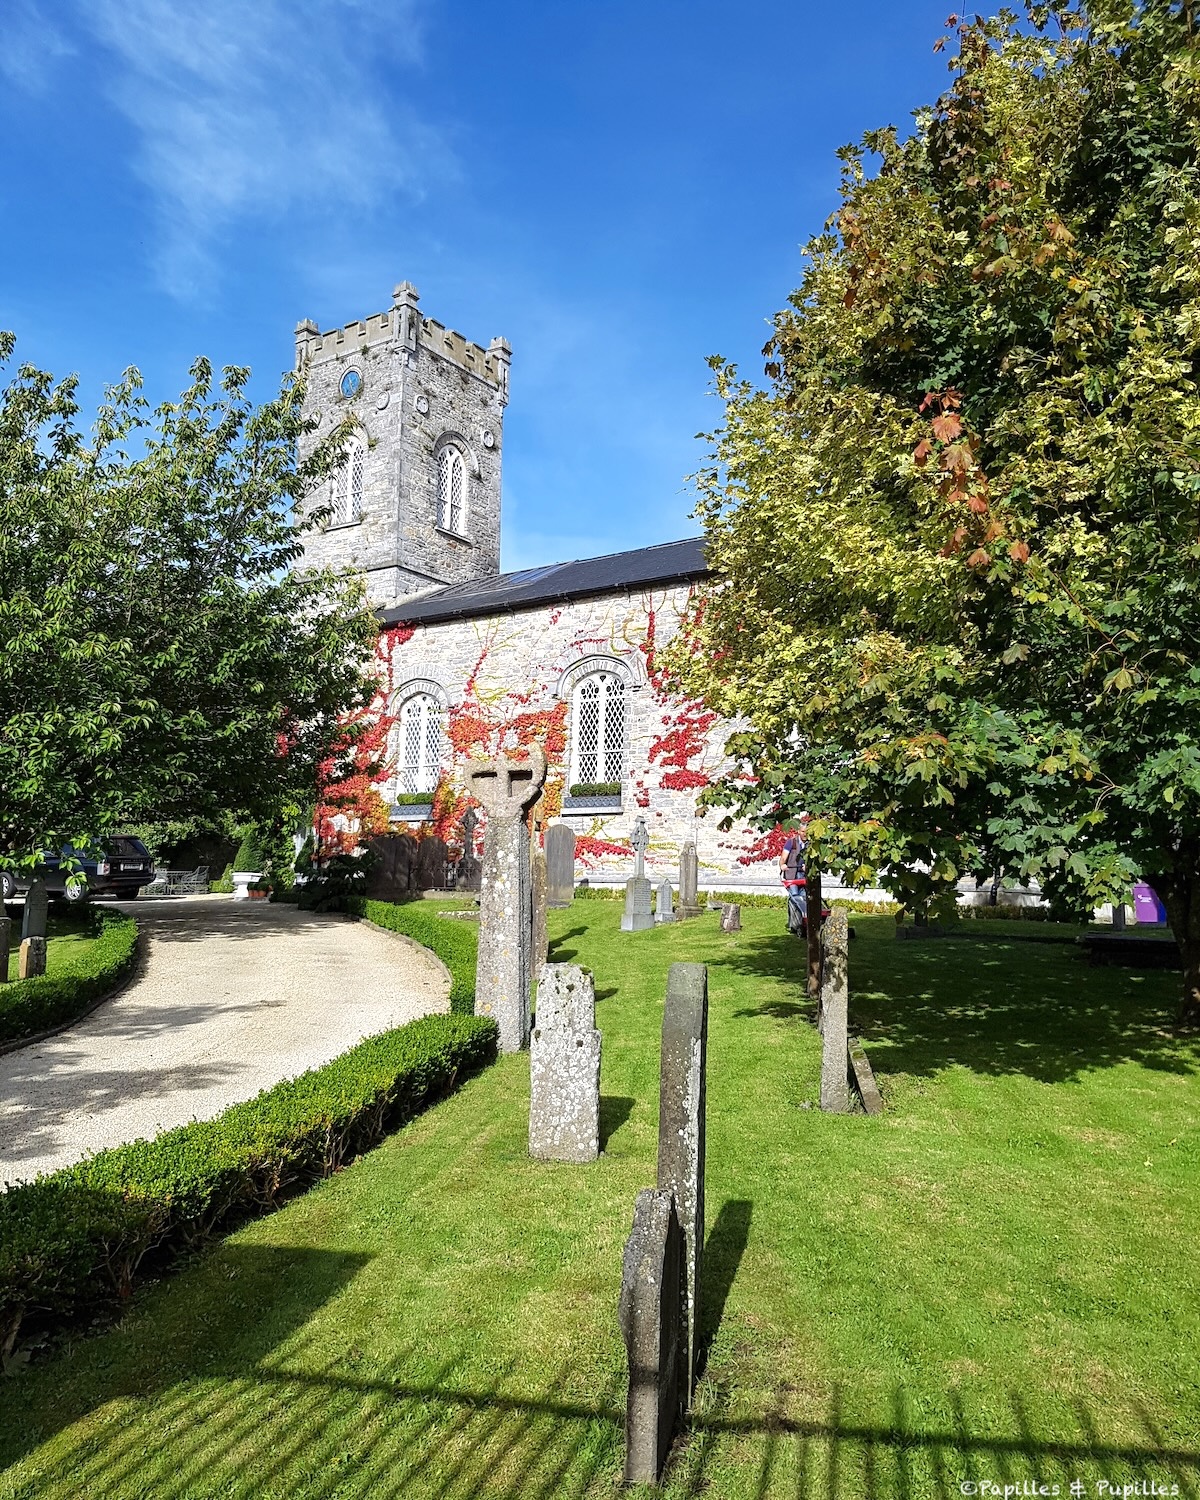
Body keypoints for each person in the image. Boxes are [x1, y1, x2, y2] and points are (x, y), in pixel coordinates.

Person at [780, 819, 808, 936]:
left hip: (803, 874)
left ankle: (803, 922)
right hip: (791, 873)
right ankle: (794, 925)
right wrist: (782, 865)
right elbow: (783, 857)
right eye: (802, 832)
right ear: (798, 831)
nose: (805, 834)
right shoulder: (791, 842)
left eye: (806, 832)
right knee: (795, 898)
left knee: (803, 898)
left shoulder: (810, 844)